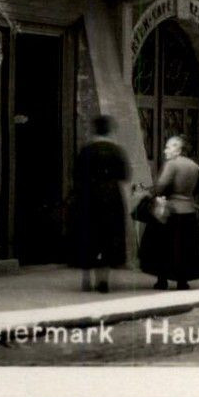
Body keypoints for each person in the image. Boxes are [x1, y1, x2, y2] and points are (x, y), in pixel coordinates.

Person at [70, 115, 129, 293]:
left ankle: (86, 279)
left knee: (88, 236)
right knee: (108, 238)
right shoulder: (117, 151)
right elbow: (124, 175)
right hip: (111, 197)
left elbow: (76, 175)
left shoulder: (86, 150)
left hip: (88, 197)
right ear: (109, 131)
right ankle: (103, 280)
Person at [138, 136, 199, 291]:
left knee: (163, 247)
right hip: (188, 210)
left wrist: (150, 193)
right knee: (185, 248)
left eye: (169, 147)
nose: (165, 150)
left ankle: (162, 280)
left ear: (178, 149)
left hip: (171, 211)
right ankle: (183, 281)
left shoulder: (172, 165)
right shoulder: (194, 166)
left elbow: (161, 186)